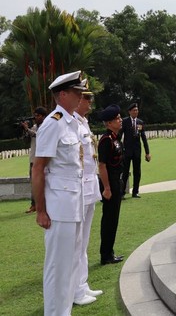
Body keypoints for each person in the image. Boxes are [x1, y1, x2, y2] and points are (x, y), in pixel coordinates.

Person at [31, 70, 89, 315]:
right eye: (77, 93)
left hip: (74, 204)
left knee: (70, 265)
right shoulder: (52, 124)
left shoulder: (73, 122)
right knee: (57, 267)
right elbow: (39, 168)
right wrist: (41, 210)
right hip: (58, 206)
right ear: (62, 95)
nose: (80, 97)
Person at [73, 88, 103, 304]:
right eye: (86, 99)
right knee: (77, 242)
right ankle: (75, 290)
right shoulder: (72, 123)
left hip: (90, 187)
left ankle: (82, 285)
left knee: (84, 241)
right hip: (80, 189)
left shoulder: (83, 122)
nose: (90, 103)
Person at [98, 104, 126, 265]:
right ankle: (106, 255)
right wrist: (107, 188)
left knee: (113, 219)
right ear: (109, 123)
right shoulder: (105, 140)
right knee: (109, 219)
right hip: (110, 184)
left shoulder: (116, 138)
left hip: (117, 181)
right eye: (117, 118)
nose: (120, 120)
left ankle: (110, 252)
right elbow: (102, 166)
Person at [119, 102, 151, 198]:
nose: (136, 112)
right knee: (125, 172)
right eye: (134, 110)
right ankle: (122, 192)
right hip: (127, 151)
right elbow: (120, 135)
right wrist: (120, 148)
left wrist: (147, 152)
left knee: (137, 172)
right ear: (129, 112)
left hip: (137, 151)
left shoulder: (140, 122)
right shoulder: (125, 121)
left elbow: (143, 138)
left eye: (137, 110)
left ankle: (135, 191)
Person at [22, 106, 48, 214]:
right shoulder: (33, 127)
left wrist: (27, 129)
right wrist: (24, 131)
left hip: (44, 159)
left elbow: (39, 136)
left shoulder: (46, 127)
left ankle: (45, 205)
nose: (35, 118)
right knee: (34, 183)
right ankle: (34, 205)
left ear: (43, 116)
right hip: (33, 158)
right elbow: (26, 141)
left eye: (37, 116)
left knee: (46, 183)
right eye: (35, 115)